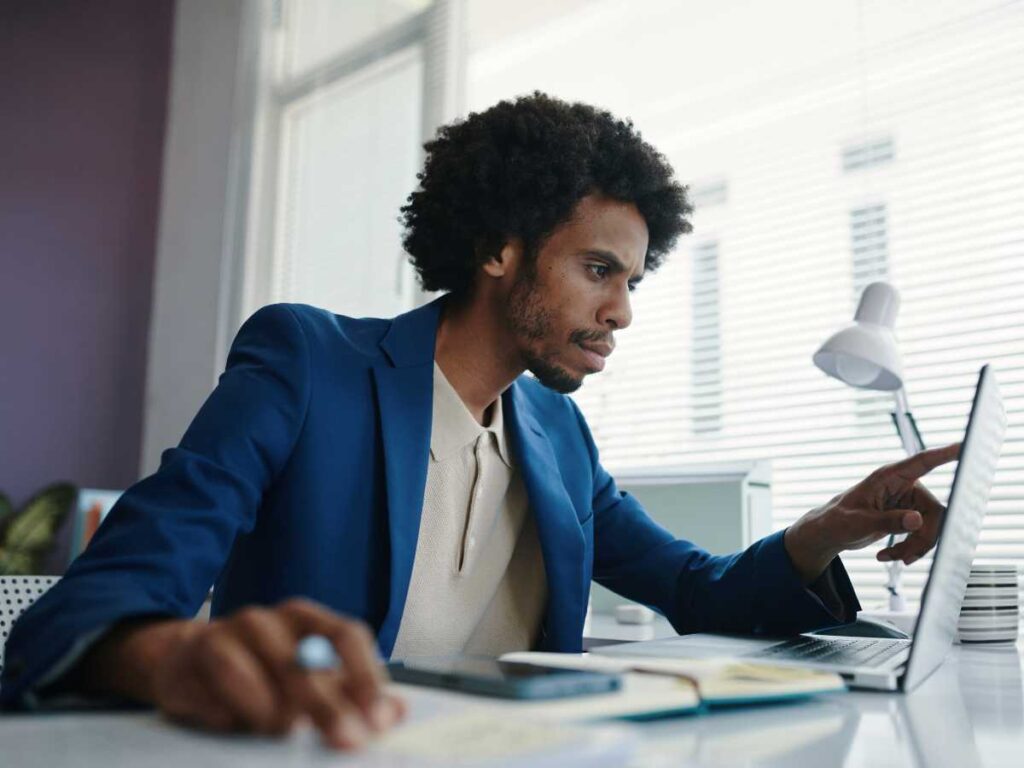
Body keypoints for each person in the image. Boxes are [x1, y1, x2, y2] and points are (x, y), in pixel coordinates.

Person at [0, 92, 958, 750]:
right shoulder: (307, 363)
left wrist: (828, 529)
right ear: (500, 249)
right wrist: (172, 652)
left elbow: (699, 591)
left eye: (632, 279)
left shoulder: (556, 434)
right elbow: (88, 608)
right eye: (597, 271)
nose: (623, 310)